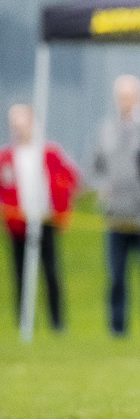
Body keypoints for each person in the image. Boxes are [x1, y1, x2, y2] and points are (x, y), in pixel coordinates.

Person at [92, 75, 140, 336]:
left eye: (129, 96)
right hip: (117, 215)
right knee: (117, 277)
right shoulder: (107, 128)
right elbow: (96, 165)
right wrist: (103, 187)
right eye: (121, 96)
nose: (125, 101)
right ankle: (117, 327)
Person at [0, 104, 80, 330]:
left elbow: (69, 177)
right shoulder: (6, 156)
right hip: (17, 224)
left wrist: (62, 207)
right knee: (20, 275)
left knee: (51, 273)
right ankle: (24, 322)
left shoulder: (48, 152)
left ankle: (57, 322)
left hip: (44, 221)